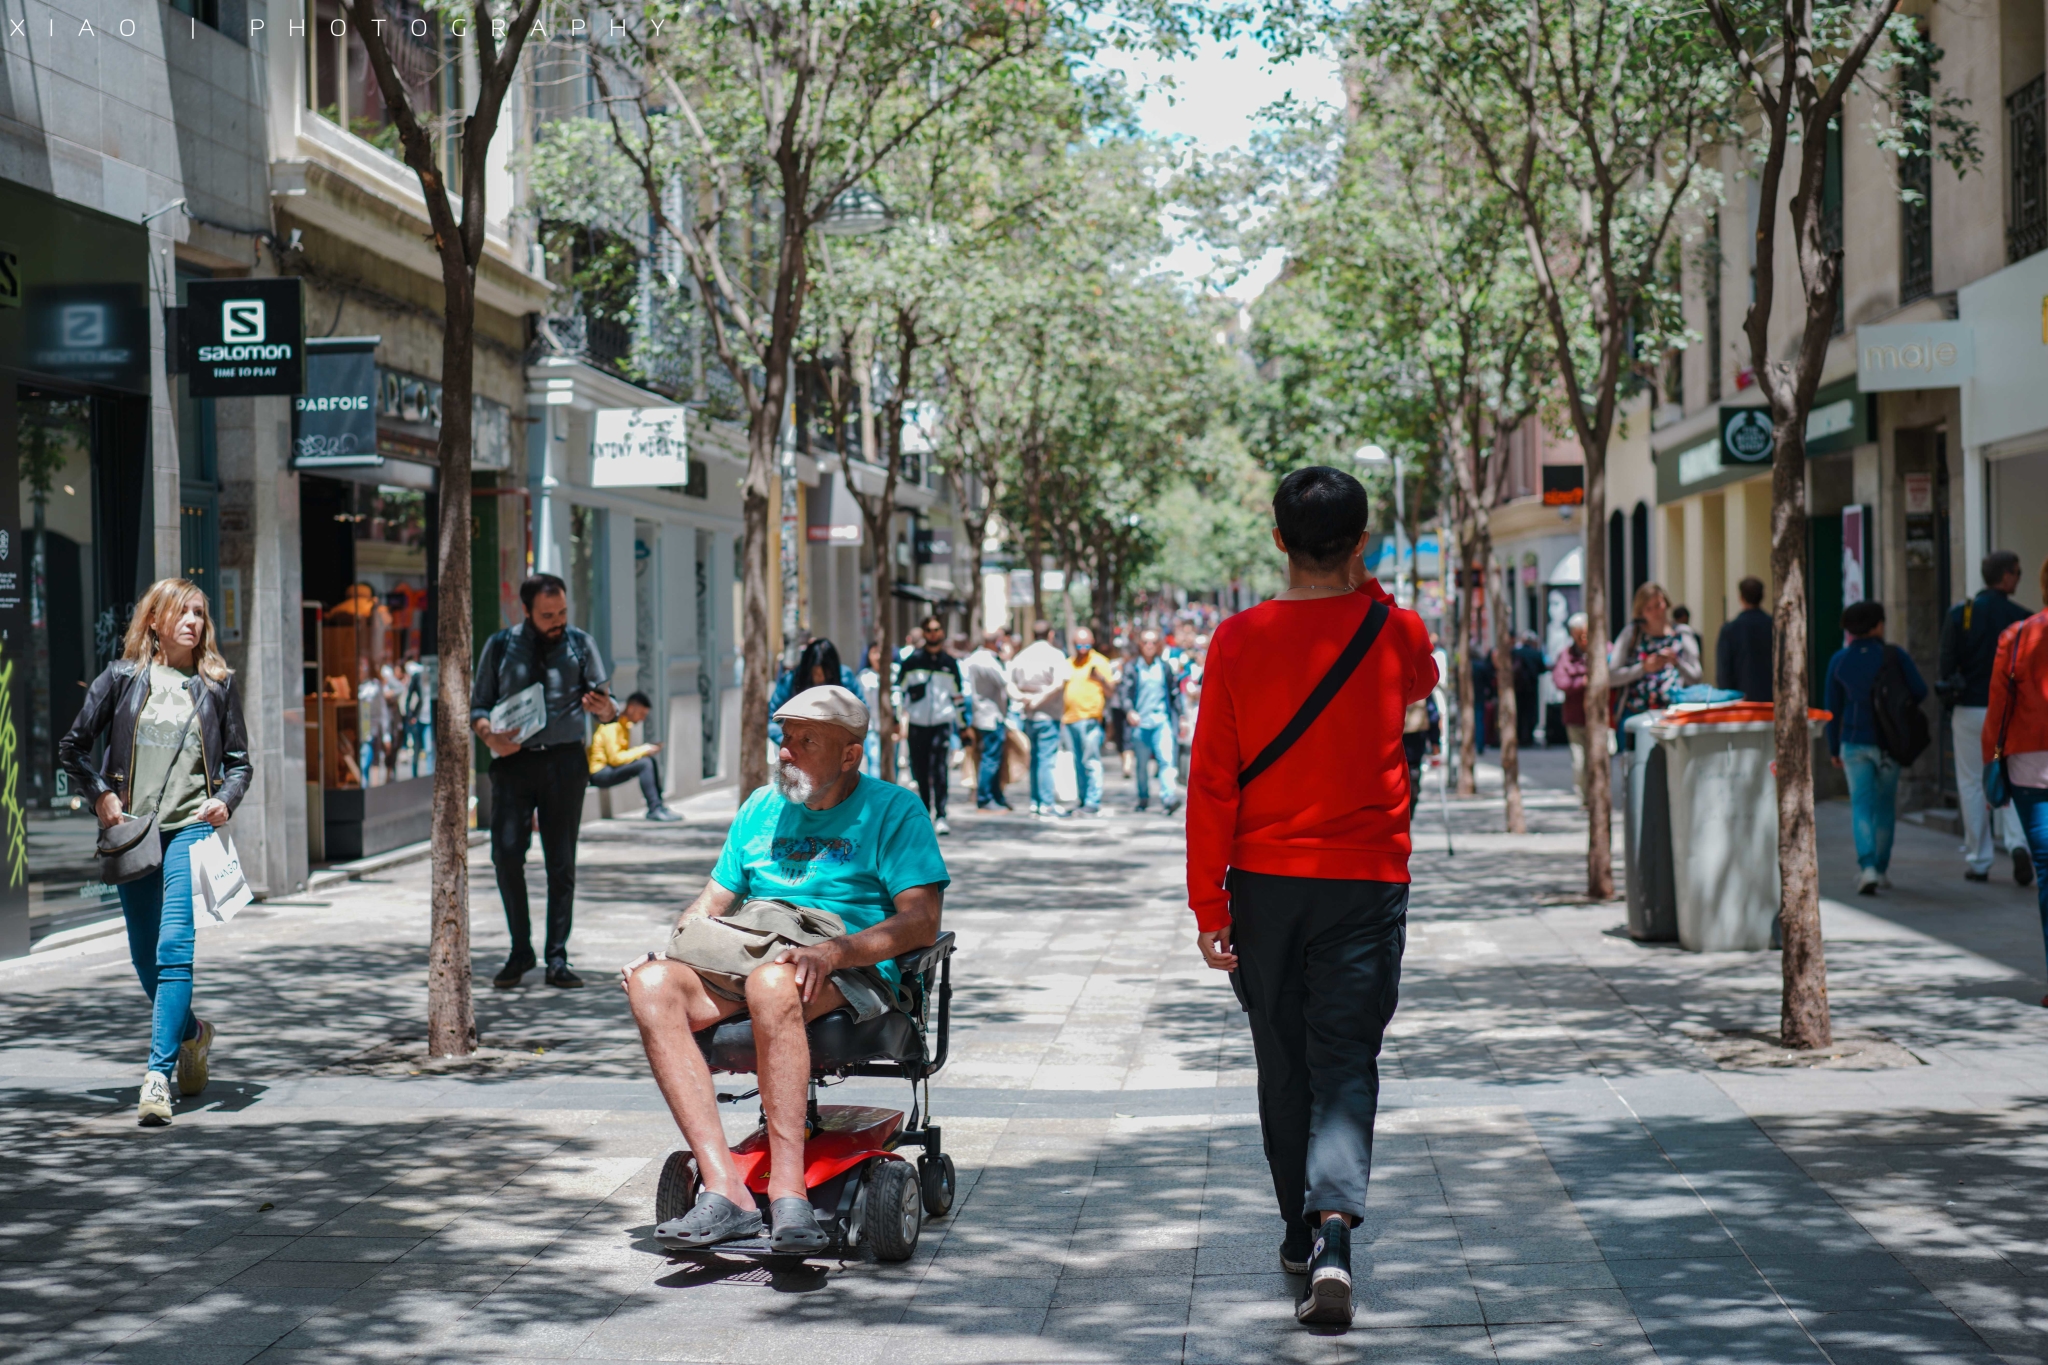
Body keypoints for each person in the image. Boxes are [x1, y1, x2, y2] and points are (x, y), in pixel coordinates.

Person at [1186, 466, 1437, 1329]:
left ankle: (1300, 1222)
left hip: (1263, 884)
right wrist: (1364, 587)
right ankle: (1335, 1230)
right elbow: (1423, 682)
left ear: (1276, 537)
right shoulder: (1395, 628)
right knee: (1345, 1058)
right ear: (1362, 543)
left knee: (1283, 1059)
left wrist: (1207, 906)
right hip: (1367, 878)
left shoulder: (1236, 639)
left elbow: (1212, 784)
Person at [619, 685, 947, 1252]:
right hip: (751, 957)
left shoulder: (894, 810)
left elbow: (919, 922)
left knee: (775, 980)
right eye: (785, 738)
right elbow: (710, 904)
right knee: (652, 986)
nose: (786, 752)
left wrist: (834, 953)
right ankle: (726, 1191)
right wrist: (669, 953)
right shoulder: (759, 808)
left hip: (845, 968)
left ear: (850, 755)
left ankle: (790, 1193)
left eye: (805, 740)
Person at [60, 578, 251, 1127]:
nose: (193, 621)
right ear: (155, 621)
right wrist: (100, 795)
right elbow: (73, 747)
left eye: (200, 614)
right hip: (135, 833)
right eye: (182, 612)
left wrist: (225, 801)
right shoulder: (122, 679)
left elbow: (239, 762)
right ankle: (193, 1033)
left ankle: (156, 1077)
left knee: (173, 946)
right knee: (145, 955)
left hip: (190, 830)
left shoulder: (215, 685)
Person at [471, 572, 619, 990]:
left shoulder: (579, 643)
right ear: (527, 611)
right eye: (547, 615)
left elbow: (611, 708)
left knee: (561, 862)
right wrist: (489, 737)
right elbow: (478, 704)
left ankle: (557, 957)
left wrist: (605, 708)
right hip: (513, 765)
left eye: (562, 612)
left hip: (564, 762)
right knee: (506, 855)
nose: (557, 621)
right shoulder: (500, 646)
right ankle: (522, 951)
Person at [1942, 550, 2036, 885]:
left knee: (1970, 782)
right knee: (2013, 776)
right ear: (2007, 576)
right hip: (2010, 710)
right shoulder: (2022, 619)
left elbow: (1945, 666)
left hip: (1969, 709)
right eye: (2018, 572)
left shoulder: (1960, 614)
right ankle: (2017, 843)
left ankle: (1979, 860)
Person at [1825, 599, 1928, 895]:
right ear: (1877, 625)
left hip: (1854, 741)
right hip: (1890, 743)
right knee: (1885, 806)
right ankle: (1881, 869)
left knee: (1861, 805)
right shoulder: (1894, 656)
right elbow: (1920, 690)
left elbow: (1833, 709)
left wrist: (1834, 749)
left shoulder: (1839, 661)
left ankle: (1866, 866)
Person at [1981, 558, 2048, 1001]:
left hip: (2030, 767)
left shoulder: (2019, 635)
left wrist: (1991, 760)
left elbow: (1999, 707)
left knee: (2046, 870)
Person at [896, 616, 966, 834]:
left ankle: (942, 814)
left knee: (940, 769)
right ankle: (925, 813)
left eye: (936, 629)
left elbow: (958, 697)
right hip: (917, 725)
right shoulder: (912, 661)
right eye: (928, 629)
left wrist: (964, 726)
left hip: (941, 724)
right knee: (920, 770)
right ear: (924, 633)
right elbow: (898, 691)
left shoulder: (949, 663)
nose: (933, 633)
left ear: (942, 632)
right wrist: (898, 718)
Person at [1609, 582, 1701, 742]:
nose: (1655, 612)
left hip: (1673, 716)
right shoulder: (1632, 634)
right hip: (1635, 714)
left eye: (1658, 605)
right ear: (1641, 612)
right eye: (1648, 608)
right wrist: (1643, 668)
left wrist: (1677, 663)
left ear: (1666, 603)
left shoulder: (1682, 633)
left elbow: (1696, 676)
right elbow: (1611, 677)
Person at [1115, 628, 1184, 814]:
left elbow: (1174, 693)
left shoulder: (1164, 667)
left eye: (1153, 642)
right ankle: (1143, 797)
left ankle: (1168, 798)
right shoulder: (1132, 667)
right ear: (1140, 645)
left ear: (1158, 645)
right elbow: (1124, 693)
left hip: (1161, 722)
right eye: (1146, 642)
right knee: (1142, 765)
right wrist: (1130, 711)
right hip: (1140, 724)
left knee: (1166, 761)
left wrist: (1181, 716)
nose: (1149, 646)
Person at [588, 691, 681, 822]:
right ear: (631, 708)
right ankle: (654, 809)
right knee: (645, 763)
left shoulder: (625, 725)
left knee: (649, 761)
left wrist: (644, 751)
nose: (642, 719)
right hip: (600, 773)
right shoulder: (612, 725)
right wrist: (643, 749)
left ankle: (659, 806)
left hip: (609, 769)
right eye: (641, 714)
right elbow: (615, 759)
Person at [1008, 620, 1068, 817]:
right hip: (1048, 715)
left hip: (1029, 716)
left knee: (1034, 760)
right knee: (1046, 760)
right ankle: (1046, 803)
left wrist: (1024, 698)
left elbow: (1009, 684)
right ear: (1050, 634)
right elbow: (1059, 683)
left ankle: (1035, 801)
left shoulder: (1022, 656)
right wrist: (1038, 699)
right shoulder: (1056, 655)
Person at [1061, 627, 1117, 816]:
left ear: (1091, 643)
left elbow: (1111, 692)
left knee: (1091, 761)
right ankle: (1083, 799)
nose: (1082, 649)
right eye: (1078, 645)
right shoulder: (1068, 663)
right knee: (1078, 763)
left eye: (1086, 644)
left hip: (1091, 720)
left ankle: (1093, 801)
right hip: (1070, 719)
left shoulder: (1100, 662)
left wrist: (1100, 679)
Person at [962, 630, 1013, 811]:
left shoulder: (974, 658)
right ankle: (985, 797)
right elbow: (1005, 681)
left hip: (982, 714)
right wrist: (1007, 658)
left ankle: (995, 795)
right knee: (990, 759)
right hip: (991, 716)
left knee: (992, 758)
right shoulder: (990, 661)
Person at [1551, 614, 1591, 805]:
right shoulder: (1566, 655)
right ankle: (1584, 798)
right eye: (1579, 636)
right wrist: (1583, 681)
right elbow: (1561, 681)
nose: (1583, 640)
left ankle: (1598, 797)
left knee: (1601, 759)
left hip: (1599, 718)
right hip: (1575, 717)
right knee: (1580, 762)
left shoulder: (1604, 649)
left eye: (1586, 635)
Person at [1716, 575, 1774, 702]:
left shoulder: (1730, 629)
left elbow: (1723, 672)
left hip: (1741, 701)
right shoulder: (1774, 626)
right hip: (1771, 699)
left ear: (1741, 597)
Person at [1511, 632, 1545, 747]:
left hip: (1518, 688)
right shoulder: (1536, 653)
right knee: (1530, 713)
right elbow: (1542, 668)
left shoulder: (1515, 652)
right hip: (1531, 688)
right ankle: (1528, 737)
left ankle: (1520, 736)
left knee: (1520, 712)